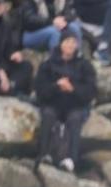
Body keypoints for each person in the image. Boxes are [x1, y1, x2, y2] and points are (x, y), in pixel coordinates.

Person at [34, 28, 96, 172]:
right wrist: (57, 86)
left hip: (75, 105)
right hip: (53, 103)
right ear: (61, 44)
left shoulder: (85, 66)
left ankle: (71, 160)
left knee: (75, 118)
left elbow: (90, 91)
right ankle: (43, 154)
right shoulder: (47, 65)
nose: (70, 45)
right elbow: (40, 90)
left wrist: (72, 89)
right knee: (48, 115)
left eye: (74, 42)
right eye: (67, 41)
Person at [0, 0, 33, 96]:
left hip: (4, 66)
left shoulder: (6, 25)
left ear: (3, 7)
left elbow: (9, 48)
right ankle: (13, 90)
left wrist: (15, 54)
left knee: (26, 66)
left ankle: (10, 88)